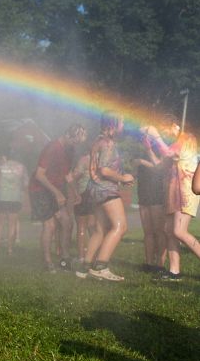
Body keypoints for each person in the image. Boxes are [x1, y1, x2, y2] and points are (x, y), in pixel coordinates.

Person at [75, 113, 133, 281]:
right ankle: (100, 266)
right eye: (121, 122)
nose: (123, 126)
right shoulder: (107, 143)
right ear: (112, 125)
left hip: (94, 190)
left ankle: (84, 267)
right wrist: (123, 178)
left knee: (100, 230)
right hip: (105, 190)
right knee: (120, 227)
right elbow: (104, 170)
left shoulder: (98, 141)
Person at [144, 117, 200, 282]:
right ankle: (174, 271)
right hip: (172, 192)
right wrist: (148, 149)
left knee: (179, 231)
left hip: (185, 192)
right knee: (170, 232)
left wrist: (155, 136)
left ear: (175, 125)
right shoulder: (175, 143)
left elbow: (169, 153)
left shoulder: (187, 138)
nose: (164, 133)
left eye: (165, 130)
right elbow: (160, 165)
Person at [29, 124, 87, 273]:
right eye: (75, 141)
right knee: (50, 226)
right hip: (40, 189)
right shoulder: (52, 147)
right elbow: (39, 175)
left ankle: (64, 259)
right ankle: (47, 262)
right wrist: (56, 193)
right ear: (68, 135)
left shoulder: (70, 149)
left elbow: (67, 175)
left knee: (67, 222)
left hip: (55, 189)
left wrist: (74, 192)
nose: (76, 145)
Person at [134, 132, 168, 274]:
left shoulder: (161, 147)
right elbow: (136, 166)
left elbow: (160, 168)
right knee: (147, 231)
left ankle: (160, 264)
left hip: (157, 193)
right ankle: (148, 263)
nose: (145, 137)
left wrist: (143, 160)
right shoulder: (140, 148)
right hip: (144, 193)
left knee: (159, 231)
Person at [0, 150, 28, 256]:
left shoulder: (0, 166)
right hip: (15, 198)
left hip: (2, 197)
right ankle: (10, 250)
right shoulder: (21, 167)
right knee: (12, 225)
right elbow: (26, 183)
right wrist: (21, 192)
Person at [67, 153, 95, 265]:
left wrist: (75, 193)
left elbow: (71, 178)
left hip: (83, 194)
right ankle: (95, 256)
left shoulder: (84, 160)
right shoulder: (103, 159)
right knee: (93, 227)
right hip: (97, 196)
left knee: (81, 227)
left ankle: (82, 257)